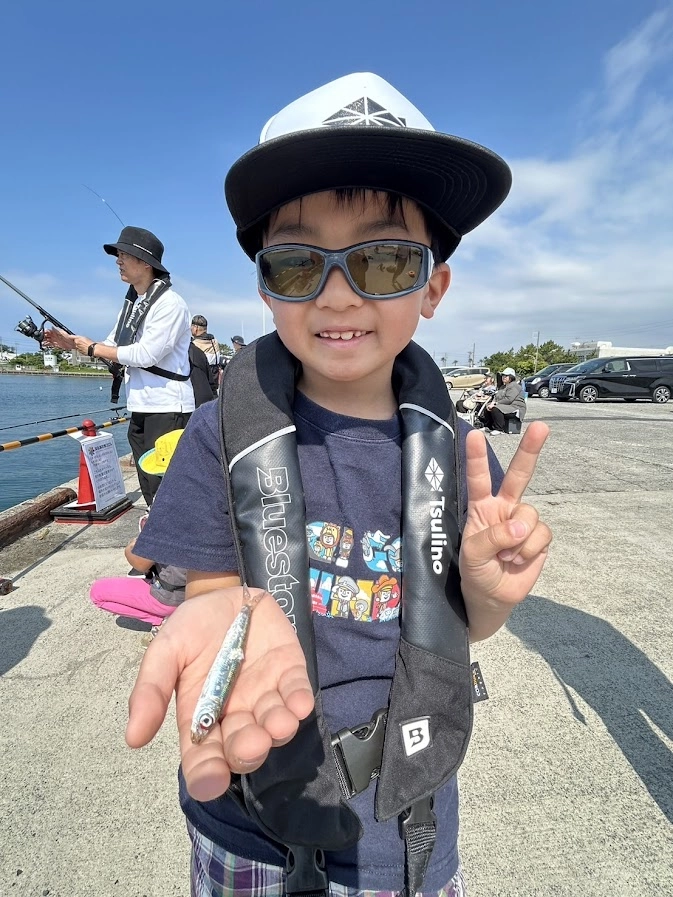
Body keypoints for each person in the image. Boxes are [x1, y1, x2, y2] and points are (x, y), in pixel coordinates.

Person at [127, 73, 552, 897]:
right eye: (297, 264)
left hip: (409, 825)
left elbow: (466, 624)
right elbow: (212, 600)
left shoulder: (456, 451)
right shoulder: (219, 433)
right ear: (265, 287)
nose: (336, 292)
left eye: (383, 259)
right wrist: (215, 619)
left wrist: (486, 592)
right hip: (246, 820)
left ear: (432, 287)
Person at [44, 226, 195, 507]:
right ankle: (154, 524)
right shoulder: (133, 305)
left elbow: (146, 354)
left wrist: (92, 347)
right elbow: (113, 345)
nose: (118, 260)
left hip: (168, 407)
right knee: (148, 480)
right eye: (118, 255)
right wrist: (71, 344)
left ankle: (174, 531)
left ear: (146, 263)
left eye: (125, 254)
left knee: (169, 484)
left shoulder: (170, 304)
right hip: (141, 405)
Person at [89, 429, 187, 646]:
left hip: (175, 595)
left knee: (97, 593)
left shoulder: (166, 508)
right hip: (214, 589)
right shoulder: (217, 495)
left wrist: (131, 548)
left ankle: (166, 620)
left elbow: (141, 563)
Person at [479, 367, 527, 435]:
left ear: (511, 377)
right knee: (488, 406)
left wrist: (496, 403)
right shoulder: (502, 387)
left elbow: (509, 399)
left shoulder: (515, 386)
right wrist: (492, 403)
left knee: (496, 408)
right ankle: (489, 427)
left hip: (516, 407)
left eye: (506, 376)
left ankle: (499, 429)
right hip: (507, 406)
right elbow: (496, 397)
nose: (503, 377)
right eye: (503, 375)